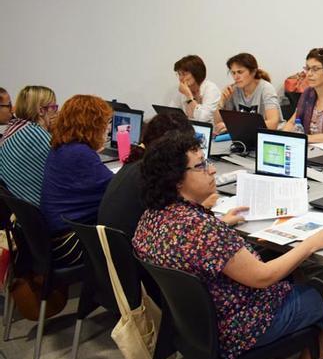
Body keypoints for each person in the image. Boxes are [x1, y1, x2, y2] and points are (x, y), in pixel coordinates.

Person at [132, 130, 323, 359]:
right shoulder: (201, 229)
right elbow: (262, 277)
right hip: (239, 325)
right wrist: (308, 244)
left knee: (295, 277)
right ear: (177, 180)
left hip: (191, 325)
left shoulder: (153, 217)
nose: (212, 169)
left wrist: (222, 225)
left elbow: (191, 252)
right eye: (201, 165)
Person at [98, 112, 206, 238]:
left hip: (115, 248)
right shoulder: (154, 175)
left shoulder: (134, 164)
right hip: (134, 250)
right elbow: (175, 227)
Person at [40, 95, 114, 267]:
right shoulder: (80, 154)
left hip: (54, 235)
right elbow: (116, 189)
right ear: (91, 124)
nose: (108, 128)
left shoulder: (62, 146)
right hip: (68, 243)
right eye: (105, 123)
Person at [0, 86, 58, 206]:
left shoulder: (16, 127)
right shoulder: (37, 136)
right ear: (41, 111)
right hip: (41, 211)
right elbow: (68, 170)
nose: (56, 112)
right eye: (54, 107)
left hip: (20, 213)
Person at [215, 53, 280, 133]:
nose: (236, 77)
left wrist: (236, 126)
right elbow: (218, 123)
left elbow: (273, 124)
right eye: (233, 73)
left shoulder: (266, 89)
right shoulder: (234, 90)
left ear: (253, 72)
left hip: (269, 136)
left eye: (240, 72)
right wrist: (222, 100)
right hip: (247, 135)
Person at [169, 55, 220, 122]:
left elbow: (203, 118)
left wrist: (189, 96)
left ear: (196, 73)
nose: (180, 78)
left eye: (184, 74)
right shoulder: (183, 90)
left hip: (208, 130)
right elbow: (171, 111)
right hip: (188, 130)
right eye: (179, 74)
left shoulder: (211, 89)